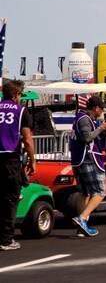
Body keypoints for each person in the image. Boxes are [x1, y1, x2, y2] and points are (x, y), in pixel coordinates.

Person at [69, 96, 106, 237]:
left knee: (85, 194)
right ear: (96, 108)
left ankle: (82, 226)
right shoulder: (84, 119)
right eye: (102, 108)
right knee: (100, 192)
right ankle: (82, 218)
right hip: (88, 159)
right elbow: (87, 137)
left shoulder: (82, 118)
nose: (103, 111)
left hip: (79, 160)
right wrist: (101, 128)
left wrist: (103, 129)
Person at [0, 80, 35, 251]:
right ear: (15, 95)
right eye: (20, 94)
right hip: (10, 160)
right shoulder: (21, 112)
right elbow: (27, 140)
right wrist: (32, 160)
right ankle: (6, 240)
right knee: (11, 199)